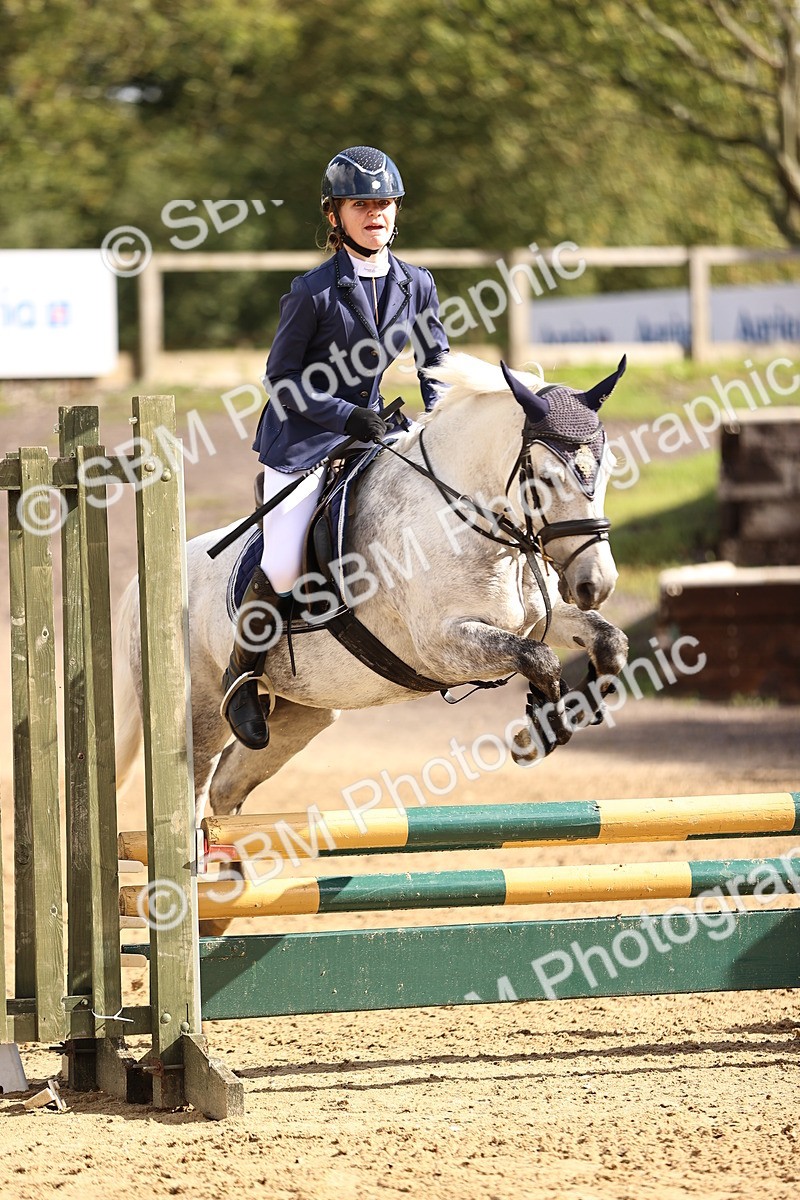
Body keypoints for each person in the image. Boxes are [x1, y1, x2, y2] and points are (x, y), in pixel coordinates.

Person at [221, 145, 450, 750]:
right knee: (286, 564)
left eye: (384, 203)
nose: (375, 213)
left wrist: (442, 420)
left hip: (375, 430)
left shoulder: (417, 284)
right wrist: (349, 415)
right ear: (335, 216)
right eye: (362, 204)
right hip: (304, 438)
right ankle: (242, 676)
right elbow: (282, 380)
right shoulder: (313, 292)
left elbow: (437, 365)